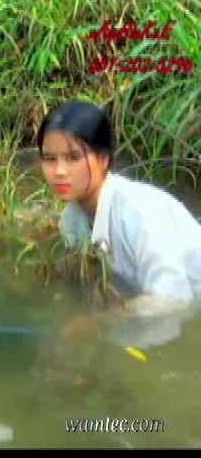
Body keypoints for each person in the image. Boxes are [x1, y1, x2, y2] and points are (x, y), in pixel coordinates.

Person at [36, 100, 201, 346]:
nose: (59, 171)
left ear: (103, 159)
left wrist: (99, 322)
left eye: (73, 157)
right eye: (49, 158)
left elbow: (173, 298)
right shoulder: (71, 221)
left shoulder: (139, 211)